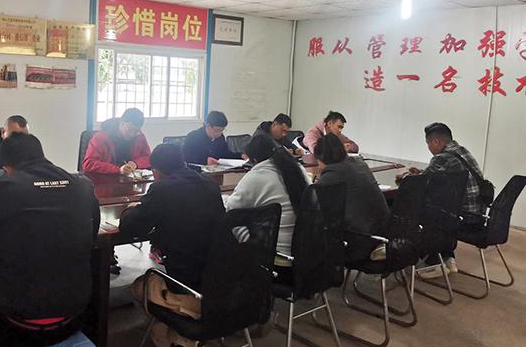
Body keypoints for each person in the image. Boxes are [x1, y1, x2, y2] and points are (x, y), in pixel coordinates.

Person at [0, 133, 100, 346]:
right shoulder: (82, 186)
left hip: (18, 318)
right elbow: (92, 235)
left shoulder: (0, 190)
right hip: (74, 312)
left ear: (6, 167)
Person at [120, 144, 224, 347]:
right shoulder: (210, 185)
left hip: (187, 283)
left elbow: (130, 227)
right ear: (183, 162)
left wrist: (131, 209)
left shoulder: (162, 189)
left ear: (156, 171)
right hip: (219, 280)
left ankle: (177, 331)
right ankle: (183, 323)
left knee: (138, 286)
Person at [397, 122, 487, 278]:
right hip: (477, 216)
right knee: (440, 204)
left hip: (461, 219)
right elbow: (435, 177)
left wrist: (404, 174)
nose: (428, 147)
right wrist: (422, 173)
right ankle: (446, 259)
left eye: (428, 143)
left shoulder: (442, 157)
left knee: (411, 212)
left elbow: (418, 185)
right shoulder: (462, 151)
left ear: (436, 141)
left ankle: (419, 258)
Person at [225, 135, 309, 283]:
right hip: (306, 257)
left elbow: (231, 209)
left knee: (230, 225)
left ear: (254, 160)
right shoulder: (298, 169)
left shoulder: (258, 175)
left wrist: (223, 199)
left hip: (277, 263)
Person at [314, 133, 389, 263]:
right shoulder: (360, 164)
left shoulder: (331, 175)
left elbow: (314, 203)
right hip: (385, 235)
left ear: (321, 158)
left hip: (360, 244)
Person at [82, 108, 151, 175]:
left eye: (136, 131)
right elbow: (89, 163)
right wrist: (118, 170)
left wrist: (136, 164)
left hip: (130, 178)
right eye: (130, 130)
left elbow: (148, 158)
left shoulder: (139, 136)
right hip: (106, 178)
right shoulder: (101, 137)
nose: (132, 134)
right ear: (122, 123)